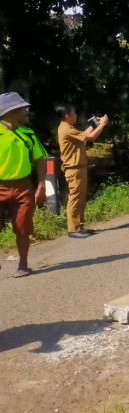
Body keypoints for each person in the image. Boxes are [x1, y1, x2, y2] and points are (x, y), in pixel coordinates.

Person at [0, 92, 47, 277]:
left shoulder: (28, 133)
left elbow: (41, 158)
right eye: (22, 108)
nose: (26, 111)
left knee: (23, 227)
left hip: (23, 186)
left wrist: (41, 185)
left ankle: (23, 264)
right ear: (11, 111)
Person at [56, 103, 109, 238]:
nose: (76, 115)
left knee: (80, 197)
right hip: (73, 169)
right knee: (74, 198)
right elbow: (91, 137)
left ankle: (80, 226)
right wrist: (102, 124)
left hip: (78, 168)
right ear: (67, 115)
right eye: (74, 113)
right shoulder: (66, 129)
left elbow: (85, 134)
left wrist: (94, 124)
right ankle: (73, 229)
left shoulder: (68, 128)